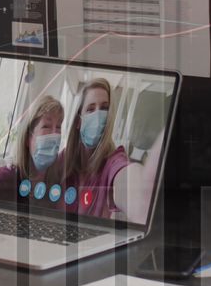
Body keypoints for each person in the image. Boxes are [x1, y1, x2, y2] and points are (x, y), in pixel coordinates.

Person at [63, 78, 156, 222]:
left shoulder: (113, 161)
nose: (98, 116)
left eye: (104, 109)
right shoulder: (63, 160)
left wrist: (143, 197)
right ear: (78, 121)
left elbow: (127, 179)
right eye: (90, 109)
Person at [0, 95, 64, 201]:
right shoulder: (10, 176)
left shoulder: (59, 180)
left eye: (58, 127)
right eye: (46, 126)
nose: (55, 134)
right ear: (28, 138)